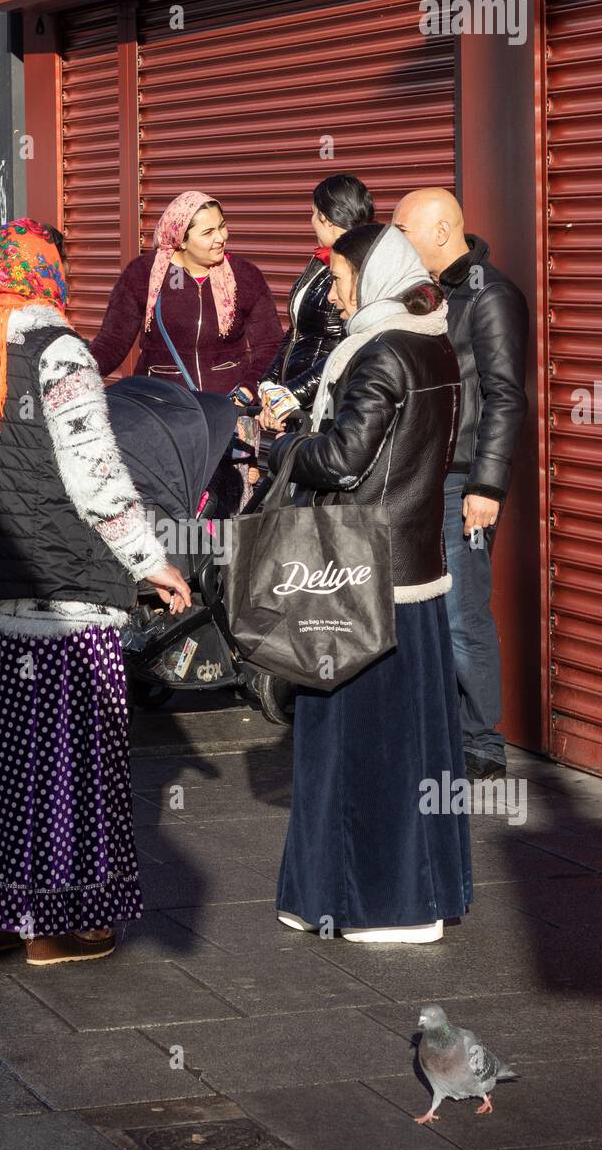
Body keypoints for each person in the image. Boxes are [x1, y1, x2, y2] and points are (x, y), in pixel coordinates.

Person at [0, 219, 190, 968]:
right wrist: (152, 561)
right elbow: (97, 481)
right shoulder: (57, 352)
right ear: (45, 275)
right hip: (55, 602)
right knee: (62, 770)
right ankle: (56, 931)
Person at [268, 223, 471, 944]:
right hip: (411, 567)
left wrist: (284, 444)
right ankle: (419, 892)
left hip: (357, 570)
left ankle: (379, 903)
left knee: (358, 744)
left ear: (376, 275)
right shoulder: (433, 342)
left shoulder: (381, 353)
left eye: (345, 275)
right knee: (411, 742)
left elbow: (344, 460)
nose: (336, 289)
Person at [392, 189, 528, 781]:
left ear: (443, 230)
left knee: (460, 612)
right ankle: (438, 730)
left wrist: (487, 486)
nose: (394, 240)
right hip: (420, 475)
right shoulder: (424, 293)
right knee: (418, 609)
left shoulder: (490, 296)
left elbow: (505, 397)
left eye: (403, 229)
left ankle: (481, 743)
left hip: (461, 481)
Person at [90, 189, 283, 396]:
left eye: (222, 226)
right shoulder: (142, 274)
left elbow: (270, 345)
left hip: (227, 407)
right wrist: (72, 375)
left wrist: (249, 389)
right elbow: (112, 343)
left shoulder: (244, 275)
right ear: (181, 240)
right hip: (162, 406)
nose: (221, 237)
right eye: (208, 232)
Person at [257, 173, 375, 433]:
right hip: (297, 406)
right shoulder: (320, 261)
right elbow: (296, 330)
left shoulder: (360, 269)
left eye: (313, 213)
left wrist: (293, 394)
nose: (311, 222)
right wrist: (269, 384)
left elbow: (350, 347)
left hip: (326, 408)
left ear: (326, 219)